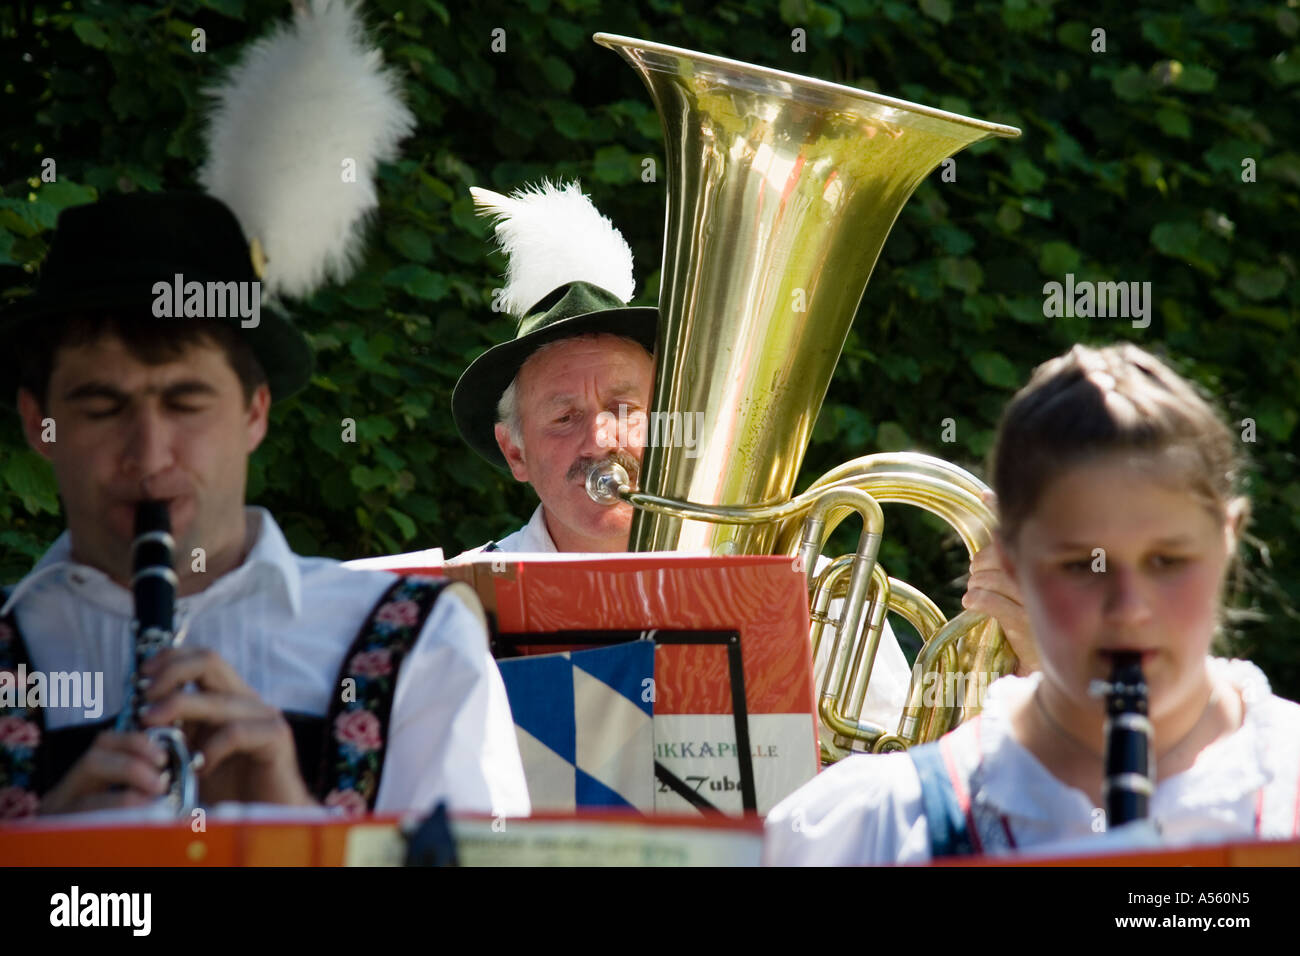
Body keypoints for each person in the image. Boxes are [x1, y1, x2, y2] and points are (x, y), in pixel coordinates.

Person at [0, 192, 528, 821]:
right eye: (102, 407)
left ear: (255, 412)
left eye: (186, 402)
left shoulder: (422, 643)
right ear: (40, 422)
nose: (147, 453)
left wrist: (301, 833)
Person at [764, 343, 1300, 864]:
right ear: (1009, 558)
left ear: (1229, 538)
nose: (1129, 609)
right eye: (1079, 565)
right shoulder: (878, 825)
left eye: (1169, 561)